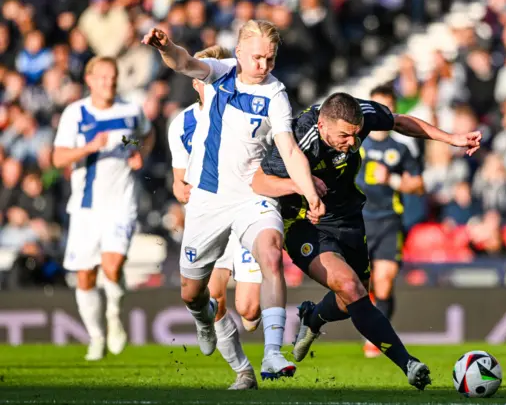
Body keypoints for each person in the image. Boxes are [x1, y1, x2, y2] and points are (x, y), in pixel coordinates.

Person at [252, 92, 481, 390]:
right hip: (304, 222)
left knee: (351, 301)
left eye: (357, 134)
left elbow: (399, 122)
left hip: (348, 216)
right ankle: (409, 364)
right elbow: (259, 181)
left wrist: (452, 139)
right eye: (344, 135)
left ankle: (313, 317)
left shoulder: (360, 114)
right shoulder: (298, 138)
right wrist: (302, 184)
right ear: (322, 125)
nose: (352, 143)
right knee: (350, 287)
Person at [141, 20, 325, 379]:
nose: (264, 66)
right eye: (257, 57)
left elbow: (288, 148)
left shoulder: (275, 95)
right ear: (239, 51)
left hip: (251, 199)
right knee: (192, 295)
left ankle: (273, 353)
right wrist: (165, 47)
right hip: (208, 201)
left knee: (270, 255)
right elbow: (183, 62)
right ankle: (204, 319)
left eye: (270, 59)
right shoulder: (219, 74)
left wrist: (308, 190)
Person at [167, 45, 261, 390]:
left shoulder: (247, 110)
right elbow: (180, 180)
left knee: (249, 312)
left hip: (247, 207)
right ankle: (244, 371)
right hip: (209, 212)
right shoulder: (182, 124)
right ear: (196, 80)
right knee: (212, 296)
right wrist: (181, 191)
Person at [52, 56, 155, 361]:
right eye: (102, 77)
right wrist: (88, 147)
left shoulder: (131, 109)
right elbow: (58, 159)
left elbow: (145, 136)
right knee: (85, 276)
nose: (108, 83)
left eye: (112, 77)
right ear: (89, 79)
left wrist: (140, 154)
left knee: (112, 266)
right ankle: (96, 337)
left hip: (121, 203)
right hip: (86, 208)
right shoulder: (76, 113)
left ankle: (113, 315)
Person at [356, 85, 424, 358]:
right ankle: (373, 321)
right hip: (357, 221)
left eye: (386, 107)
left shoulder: (402, 147)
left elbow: (418, 185)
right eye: (376, 106)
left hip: (388, 221)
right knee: (362, 285)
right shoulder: (355, 140)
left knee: (384, 280)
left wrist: (393, 179)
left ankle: (376, 339)